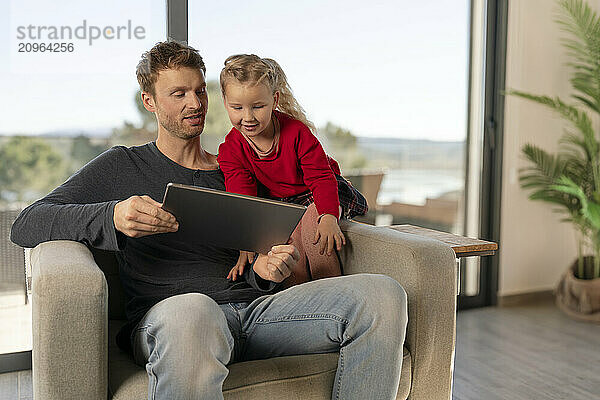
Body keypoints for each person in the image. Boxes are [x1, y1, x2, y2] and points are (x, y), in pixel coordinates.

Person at [10, 41, 408, 400]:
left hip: (255, 314)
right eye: (178, 94)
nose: (195, 104)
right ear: (149, 101)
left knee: (382, 295)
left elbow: (268, 238)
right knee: (195, 310)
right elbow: (28, 223)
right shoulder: (122, 165)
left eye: (200, 91)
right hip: (173, 318)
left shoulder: (237, 168)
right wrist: (112, 215)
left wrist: (266, 270)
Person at [218, 54, 367, 284]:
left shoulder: (296, 133)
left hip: (323, 191)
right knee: (284, 245)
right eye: (237, 107)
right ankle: (298, 298)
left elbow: (321, 177)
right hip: (284, 204)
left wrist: (328, 216)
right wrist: (245, 243)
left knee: (312, 224)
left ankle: (331, 289)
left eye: (258, 106)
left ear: (274, 100)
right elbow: (244, 199)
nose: (247, 117)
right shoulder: (230, 150)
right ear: (225, 102)